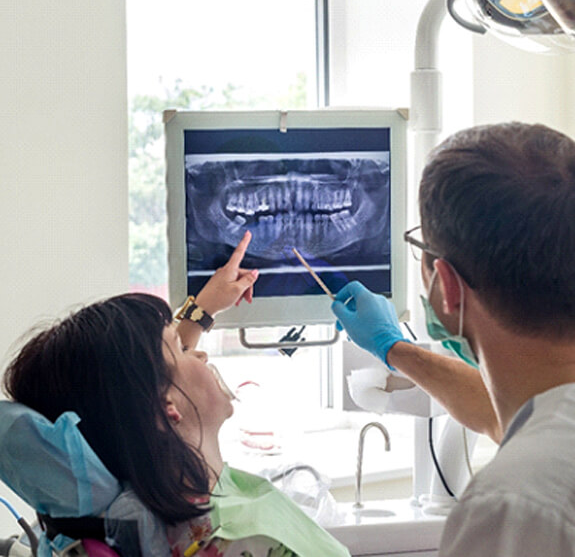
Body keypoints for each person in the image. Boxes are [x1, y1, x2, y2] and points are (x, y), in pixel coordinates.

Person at [2, 230, 350, 557]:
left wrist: (202, 311)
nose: (200, 353)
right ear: (165, 407)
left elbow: (154, 385)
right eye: (181, 350)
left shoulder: (157, 514)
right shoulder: (245, 543)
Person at [331, 122, 575, 556]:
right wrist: (391, 347)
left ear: (446, 285)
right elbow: (506, 417)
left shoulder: (514, 507)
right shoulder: (553, 429)